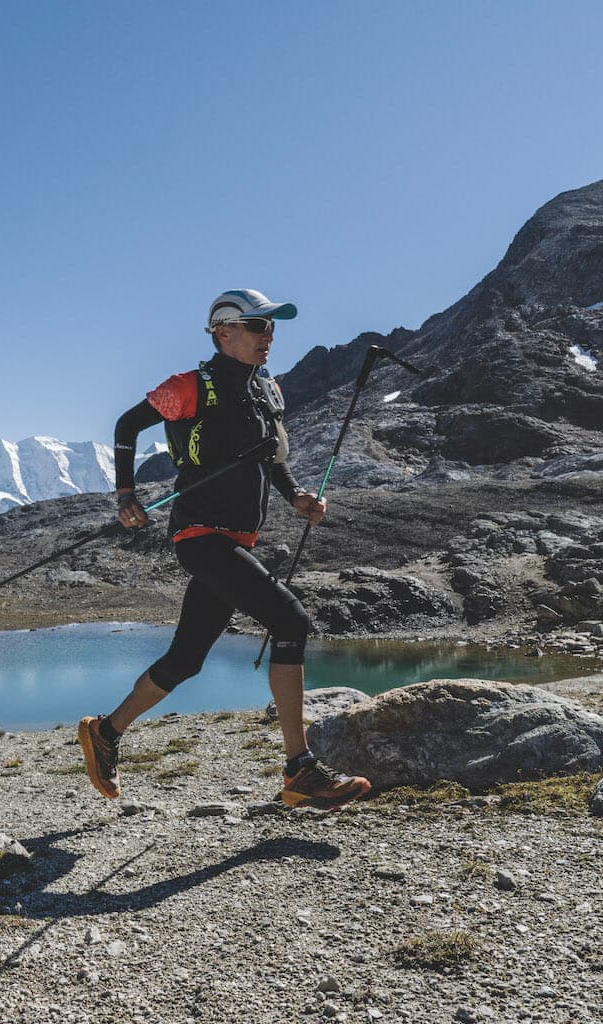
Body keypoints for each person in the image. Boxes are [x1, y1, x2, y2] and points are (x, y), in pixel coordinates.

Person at [78, 289, 372, 810]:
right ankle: (300, 769)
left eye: (271, 327)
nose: (269, 335)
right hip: (200, 535)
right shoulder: (191, 387)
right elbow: (127, 426)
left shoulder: (268, 391)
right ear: (224, 330)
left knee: (186, 660)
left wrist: (296, 496)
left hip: (237, 538)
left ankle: (106, 731)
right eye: (258, 326)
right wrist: (126, 494)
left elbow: (269, 458)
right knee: (291, 620)